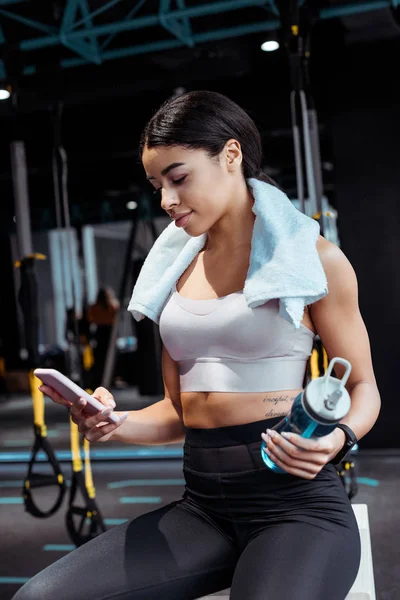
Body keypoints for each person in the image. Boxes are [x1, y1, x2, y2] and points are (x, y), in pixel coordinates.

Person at [13, 90, 381, 600]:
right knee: (42, 597)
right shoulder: (171, 272)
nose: (166, 199)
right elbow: (177, 412)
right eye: (156, 184)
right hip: (204, 508)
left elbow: (363, 386)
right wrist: (114, 423)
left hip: (297, 510)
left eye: (179, 178)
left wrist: (338, 437)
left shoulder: (312, 259)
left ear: (231, 156)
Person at [86, 287, 120, 384]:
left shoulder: (94, 307)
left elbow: (90, 318)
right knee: (110, 355)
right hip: (109, 331)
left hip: (100, 330)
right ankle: (112, 377)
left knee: (99, 356)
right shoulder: (113, 305)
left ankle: (100, 377)